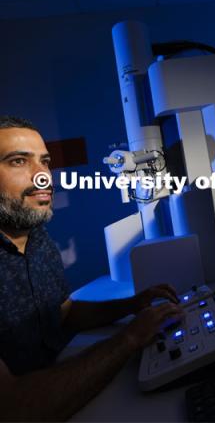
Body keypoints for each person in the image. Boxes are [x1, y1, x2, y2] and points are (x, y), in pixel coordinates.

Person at [0, 115, 184, 421]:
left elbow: (62, 315)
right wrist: (129, 339)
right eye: (19, 161)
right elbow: (11, 408)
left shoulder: (38, 238)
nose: (43, 176)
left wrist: (130, 306)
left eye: (45, 162)